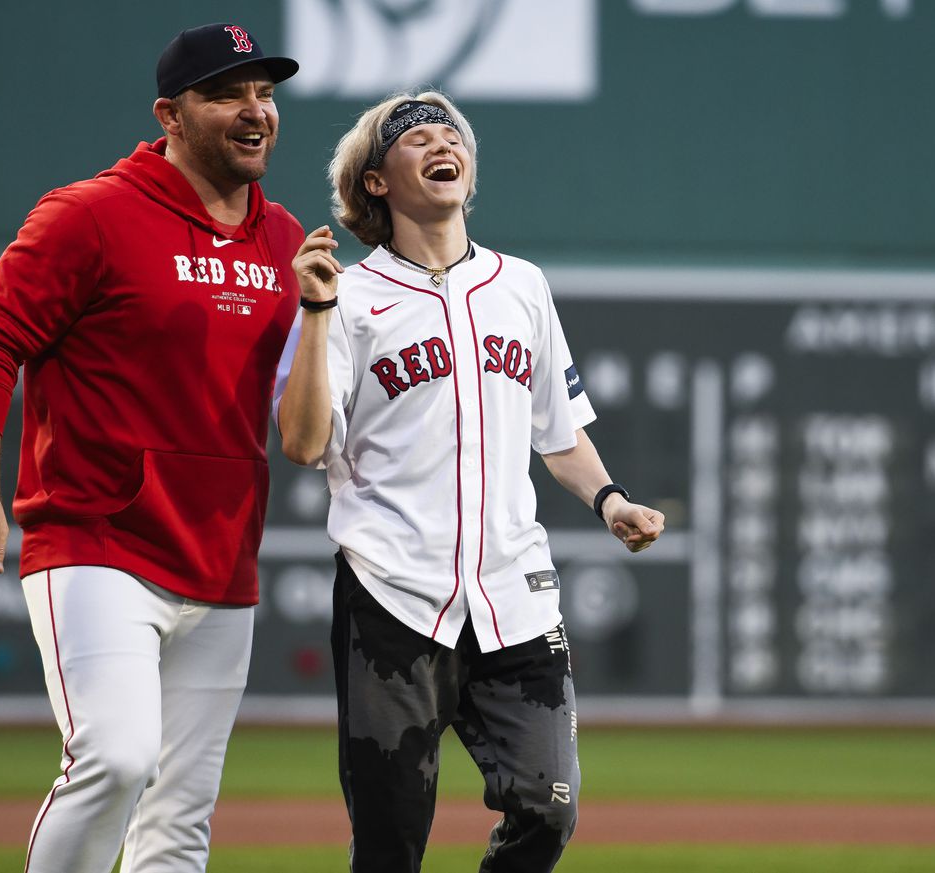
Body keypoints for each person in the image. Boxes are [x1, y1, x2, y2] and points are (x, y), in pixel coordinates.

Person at [0, 23, 305, 873]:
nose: (256, 111)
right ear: (170, 114)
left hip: (221, 561)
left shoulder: (283, 241)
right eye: (229, 92)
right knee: (117, 755)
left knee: (179, 819)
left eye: (266, 92)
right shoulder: (91, 215)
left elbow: (305, 408)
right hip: (96, 541)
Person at [275, 92, 666, 873]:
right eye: (414, 138)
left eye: (449, 133)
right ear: (376, 182)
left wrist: (610, 498)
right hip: (392, 598)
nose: (438, 142)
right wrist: (315, 311)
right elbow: (302, 440)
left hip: (513, 596)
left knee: (549, 808)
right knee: (389, 846)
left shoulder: (520, 285)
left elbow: (560, 433)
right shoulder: (348, 298)